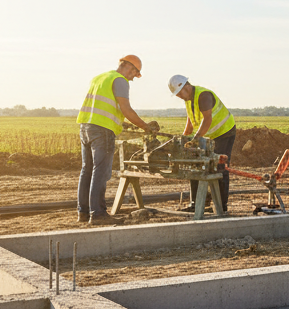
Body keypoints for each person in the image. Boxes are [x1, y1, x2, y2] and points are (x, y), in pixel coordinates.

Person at [76, 54, 157, 225]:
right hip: (103, 131)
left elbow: (107, 107)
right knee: (100, 172)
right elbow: (125, 108)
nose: (134, 78)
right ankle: (97, 215)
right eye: (135, 73)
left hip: (86, 127)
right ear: (129, 67)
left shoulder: (100, 77)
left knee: (87, 171)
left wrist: (125, 123)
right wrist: (145, 126)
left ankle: (83, 213)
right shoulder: (120, 80)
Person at [168, 74, 237, 212]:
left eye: (179, 93)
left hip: (224, 133)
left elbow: (207, 120)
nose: (179, 97)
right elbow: (191, 120)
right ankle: (197, 204)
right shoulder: (188, 99)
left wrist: (196, 138)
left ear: (186, 86)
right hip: (208, 135)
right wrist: (184, 138)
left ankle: (221, 206)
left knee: (219, 166)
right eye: (177, 95)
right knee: (196, 165)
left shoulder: (203, 95)